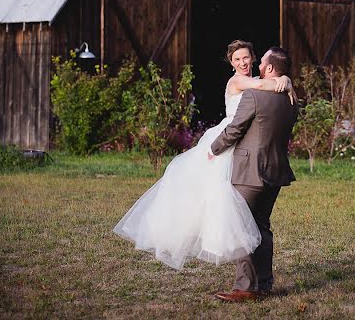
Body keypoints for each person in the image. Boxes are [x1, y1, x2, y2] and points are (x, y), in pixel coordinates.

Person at [113, 39, 293, 271]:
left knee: (232, 204)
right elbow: (261, 88)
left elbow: (264, 86)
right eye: (236, 59)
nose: (242, 62)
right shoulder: (238, 81)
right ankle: (241, 268)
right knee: (218, 199)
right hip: (227, 138)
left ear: (254, 58)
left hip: (244, 143)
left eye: (246, 57)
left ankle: (247, 273)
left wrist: (283, 78)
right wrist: (284, 81)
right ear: (231, 63)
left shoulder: (258, 79)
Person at [209, 46, 298, 302]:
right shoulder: (292, 98)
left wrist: (214, 149)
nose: (256, 66)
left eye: (261, 63)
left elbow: (236, 129)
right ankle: (265, 283)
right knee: (261, 226)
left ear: (269, 68)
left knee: (238, 225)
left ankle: (245, 287)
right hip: (276, 168)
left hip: (250, 170)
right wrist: (286, 80)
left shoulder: (253, 95)